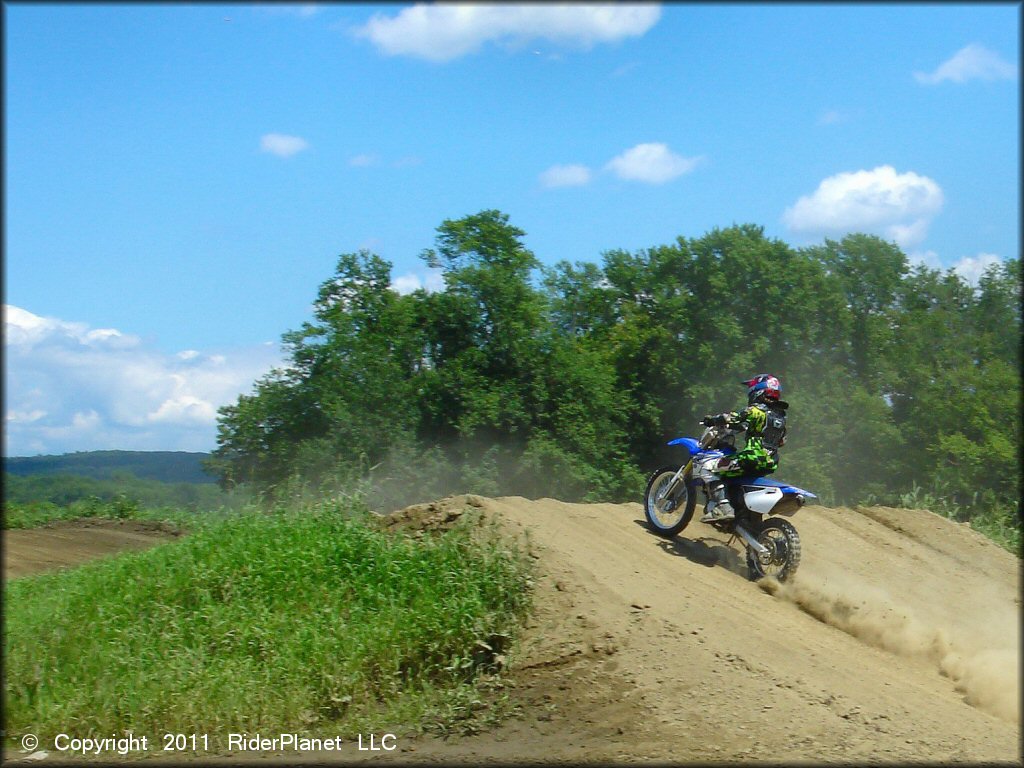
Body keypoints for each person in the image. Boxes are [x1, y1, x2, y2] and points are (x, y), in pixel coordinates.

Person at [699, 374, 789, 522]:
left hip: (751, 459)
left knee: (708, 467)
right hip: (770, 462)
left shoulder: (754, 411)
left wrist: (713, 420)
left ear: (757, 392)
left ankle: (723, 507)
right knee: (733, 474)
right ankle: (741, 510)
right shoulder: (781, 418)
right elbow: (781, 441)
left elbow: (732, 418)